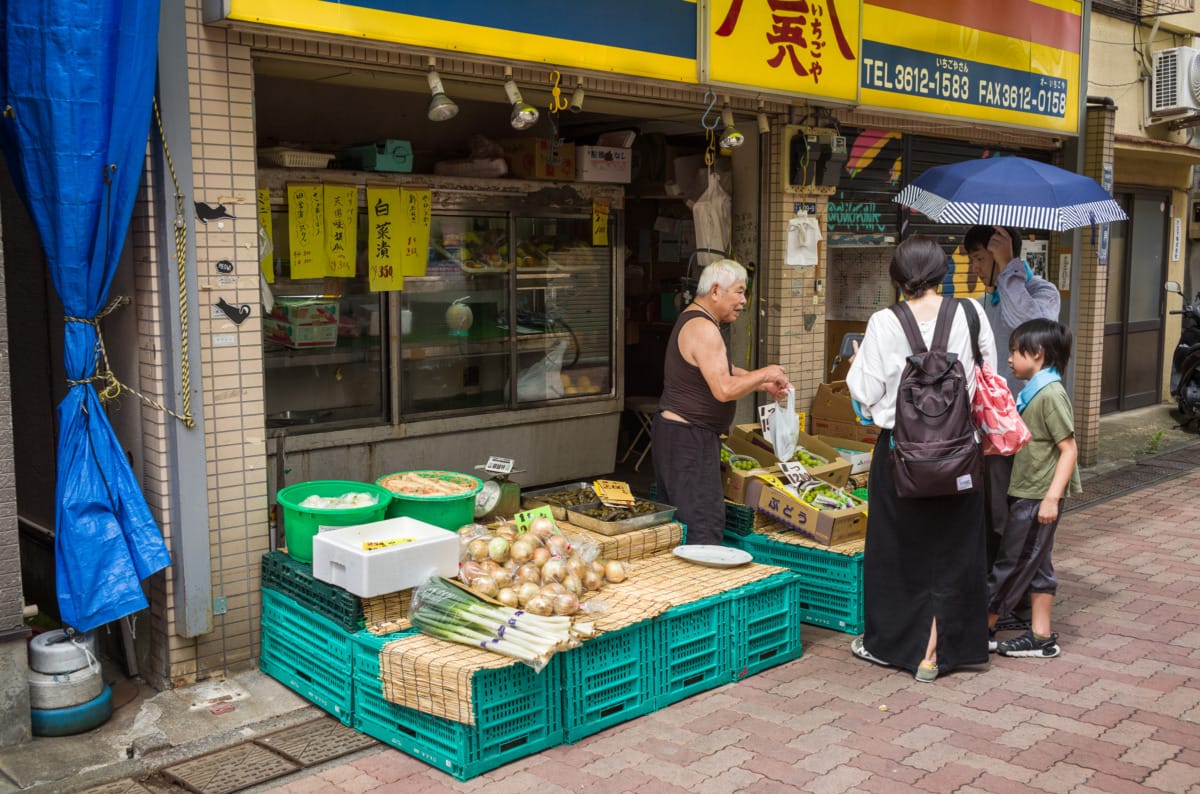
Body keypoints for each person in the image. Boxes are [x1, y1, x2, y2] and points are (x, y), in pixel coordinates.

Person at [846, 236, 996, 682]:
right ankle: (943, 647)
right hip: (960, 455)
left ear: (898, 278)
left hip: (900, 454)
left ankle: (900, 646)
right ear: (942, 272)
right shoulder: (970, 312)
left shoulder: (884, 322)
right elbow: (989, 374)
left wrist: (859, 362)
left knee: (897, 549)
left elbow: (866, 393)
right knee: (957, 547)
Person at [652, 258, 790, 546]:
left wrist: (761, 382)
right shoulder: (704, 329)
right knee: (701, 523)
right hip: (689, 440)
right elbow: (724, 389)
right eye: (739, 292)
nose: (743, 301)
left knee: (684, 522)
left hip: (680, 437)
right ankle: (699, 587)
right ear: (715, 291)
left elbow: (721, 370)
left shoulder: (695, 318)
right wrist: (767, 371)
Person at [963, 225, 1062, 619]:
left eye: (979, 257)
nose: (974, 266)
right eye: (972, 258)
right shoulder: (987, 298)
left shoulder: (1044, 292)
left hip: (1029, 427)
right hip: (991, 426)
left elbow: (1028, 330)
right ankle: (1001, 593)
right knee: (993, 511)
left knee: (1021, 515)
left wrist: (1008, 266)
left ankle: (1016, 598)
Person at [988, 319, 1081, 657]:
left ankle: (981, 626)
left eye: (1015, 351)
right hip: (1028, 490)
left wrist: (1051, 499)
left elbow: (1069, 448)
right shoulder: (1035, 390)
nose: (1010, 358)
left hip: (1037, 495)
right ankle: (1040, 636)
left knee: (1011, 564)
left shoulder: (1051, 394)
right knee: (1037, 564)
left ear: (1038, 354)